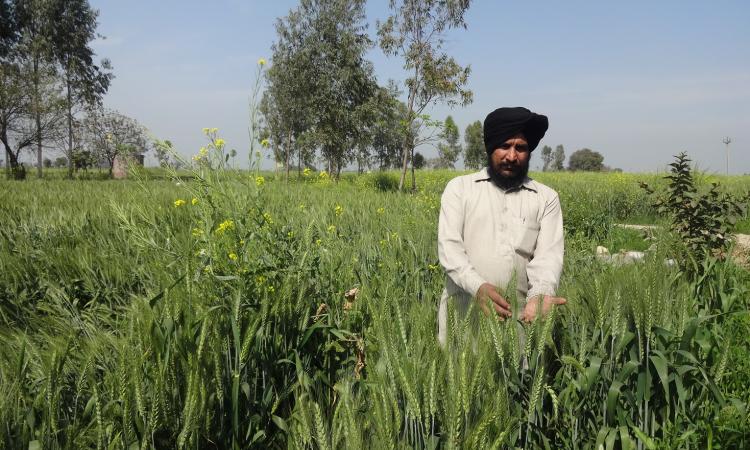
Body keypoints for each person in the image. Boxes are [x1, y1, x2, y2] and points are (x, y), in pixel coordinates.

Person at [437, 107, 566, 344]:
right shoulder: (460, 189)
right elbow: (450, 250)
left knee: (514, 379)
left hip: (518, 323)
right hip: (463, 319)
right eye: (504, 146)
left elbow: (548, 258)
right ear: (490, 148)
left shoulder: (546, 198)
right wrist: (477, 287)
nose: (512, 156)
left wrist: (540, 295)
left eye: (521, 148)